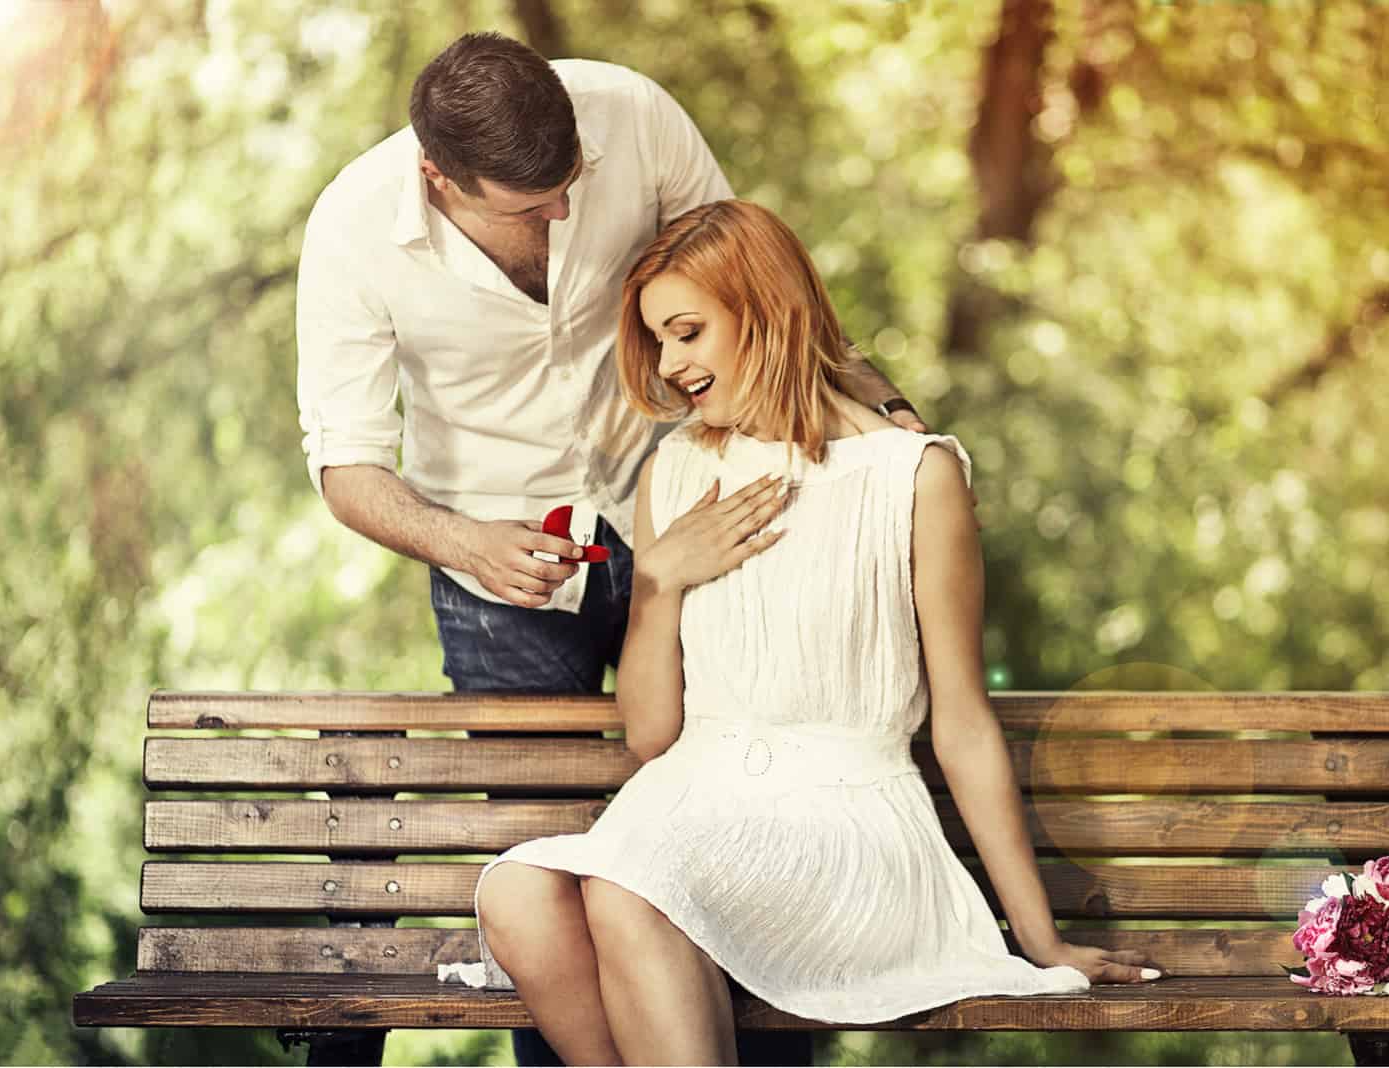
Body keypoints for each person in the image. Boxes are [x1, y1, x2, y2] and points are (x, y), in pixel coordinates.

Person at [295, 33, 916, 1066]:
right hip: (500, 577)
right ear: (436, 175)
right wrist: (463, 542)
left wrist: (881, 405)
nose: (564, 216)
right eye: (527, 204)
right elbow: (348, 469)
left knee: (724, 820)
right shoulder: (353, 233)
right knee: (546, 869)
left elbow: (751, 287)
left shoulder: (631, 113)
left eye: (571, 183)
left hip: (675, 505)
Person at [467, 200, 1165, 1066]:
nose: (671, 364)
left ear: (763, 311)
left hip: (841, 826)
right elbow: (650, 735)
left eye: (688, 332)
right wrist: (657, 580)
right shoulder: (677, 469)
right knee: (521, 897)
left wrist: (1040, 938)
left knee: (624, 893)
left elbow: (962, 723)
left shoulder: (914, 477)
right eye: (659, 340)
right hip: (684, 809)